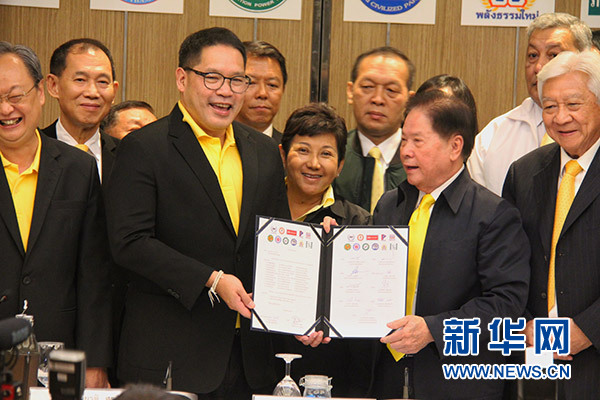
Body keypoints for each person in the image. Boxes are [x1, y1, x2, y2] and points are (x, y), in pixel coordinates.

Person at [105, 27, 289, 399]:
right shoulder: (144, 148)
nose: (226, 91)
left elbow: (277, 241)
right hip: (171, 357)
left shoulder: (265, 151)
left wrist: (315, 246)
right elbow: (130, 242)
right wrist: (211, 279)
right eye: (212, 77)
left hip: (249, 359)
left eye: (237, 80)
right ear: (182, 78)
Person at [371, 90, 530, 399]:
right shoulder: (390, 205)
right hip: (388, 379)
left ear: (455, 146)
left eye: (418, 141)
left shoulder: (493, 215)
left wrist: (433, 329)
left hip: (457, 383)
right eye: (404, 141)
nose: (406, 152)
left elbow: (506, 305)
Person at [0, 42, 111, 388]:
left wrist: (95, 361)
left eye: (15, 96)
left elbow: (93, 276)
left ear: (40, 93)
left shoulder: (78, 168)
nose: (5, 109)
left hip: (57, 353)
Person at [503, 49, 600, 399]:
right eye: (549, 106)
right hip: (534, 360)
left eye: (573, 104)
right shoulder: (524, 172)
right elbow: (506, 263)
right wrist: (525, 323)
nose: (561, 117)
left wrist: (587, 329)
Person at [275, 103, 371, 397]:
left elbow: (364, 304)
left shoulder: (357, 224)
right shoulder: (256, 210)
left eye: (326, 154)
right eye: (303, 150)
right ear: (283, 154)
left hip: (331, 372)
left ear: (340, 165)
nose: (314, 164)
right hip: (257, 364)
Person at [468, 13, 592, 195]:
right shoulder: (492, 137)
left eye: (553, 55)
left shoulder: (594, 129)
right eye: (533, 55)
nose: (539, 67)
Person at [333, 46, 414, 213]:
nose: (378, 99)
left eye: (391, 90)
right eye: (368, 87)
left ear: (409, 100)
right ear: (350, 91)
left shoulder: (423, 162)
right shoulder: (332, 155)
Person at [42, 38, 120, 182]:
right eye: (80, 80)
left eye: (102, 82)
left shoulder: (127, 156)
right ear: (53, 86)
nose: (92, 93)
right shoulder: (33, 150)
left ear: (114, 91)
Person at [235, 41, 286, 143]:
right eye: (251, 83)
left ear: (283, 90)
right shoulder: (212, 145)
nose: (262, 94)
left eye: (272, 85)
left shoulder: (288, 150)